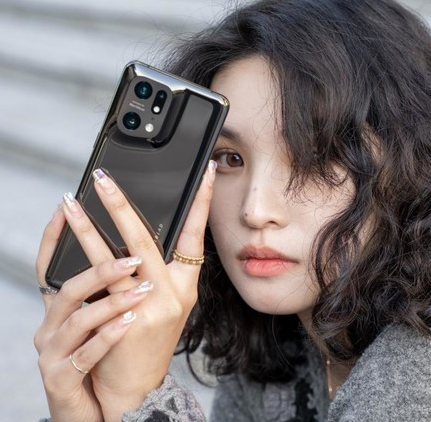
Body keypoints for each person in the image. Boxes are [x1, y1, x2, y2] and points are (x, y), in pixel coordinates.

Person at [35, 0, 431, 421]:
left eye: (314, 158)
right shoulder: (278, 338)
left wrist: (138, 398)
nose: (255, 211)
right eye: (229, 159)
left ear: (410, 165)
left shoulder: (417, 373)